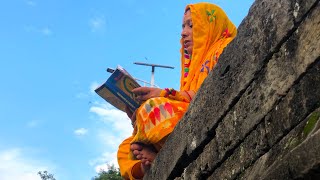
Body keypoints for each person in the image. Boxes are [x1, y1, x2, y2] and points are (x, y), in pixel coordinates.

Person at [117, 2, 237, 179]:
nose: (183, 32)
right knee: (125, 146)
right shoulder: (192, 71)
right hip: (186, 120)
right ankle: (145, 168)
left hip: (205, 117)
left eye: (191, 25)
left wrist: (164, 94)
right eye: (183, 26)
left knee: (153, 108)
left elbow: (212, 95)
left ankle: (158, 151)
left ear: (210, 25)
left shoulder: (225, 47)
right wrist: (137, 121)